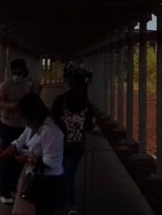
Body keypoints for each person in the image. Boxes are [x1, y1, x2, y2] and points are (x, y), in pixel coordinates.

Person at [0, 93, 64, 215]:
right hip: (34, 178)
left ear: (33, 114)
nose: (23, 120)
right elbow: (17, 145)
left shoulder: (51, 132)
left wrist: (26, 159)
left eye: (24, 116)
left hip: (48, 182)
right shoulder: (32, 126)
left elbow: (51, 163)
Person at [0, 58, 38, 204]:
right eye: (14, 73)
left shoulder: (26, 85)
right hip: (8, 126)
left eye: (19, 72)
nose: (17, 75)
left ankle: (12, 187)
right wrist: (13, 106)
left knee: (18, 160)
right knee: (8, 159)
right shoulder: (6, 85)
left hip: (22, 127)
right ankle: (4, 192)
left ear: (24, 72)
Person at [51, 67, 95, 215]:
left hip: (60, 145)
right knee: (68, 174)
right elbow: (89, 126)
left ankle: (63, 205)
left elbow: (53, 121)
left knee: (62, 173)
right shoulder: (86, 105)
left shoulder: (59, 101)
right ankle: (68, 206)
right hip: (77, 146)